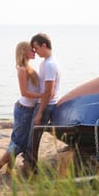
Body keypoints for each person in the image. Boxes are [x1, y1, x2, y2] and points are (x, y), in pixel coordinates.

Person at [0, 41, 42, 175]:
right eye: (32, 50)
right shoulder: (22, 69)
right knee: (19, 143)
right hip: (24, 109)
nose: (34, 51)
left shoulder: (29, 68)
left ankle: (9, 168)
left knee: (18, 141)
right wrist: (42, 95)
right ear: (24, 52)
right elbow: (24, 92)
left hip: (28, 109)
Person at [23, 33, 61, 170]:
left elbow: (48, 92)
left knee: (34, 138)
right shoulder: (46, 63)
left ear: (44, 45)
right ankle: (29, 166)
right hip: (43, 104)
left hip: (45, 106)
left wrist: (39, 113)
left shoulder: (50, 65)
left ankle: (30, 168)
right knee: (32, 136)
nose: (35, 52)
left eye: (36, 48)